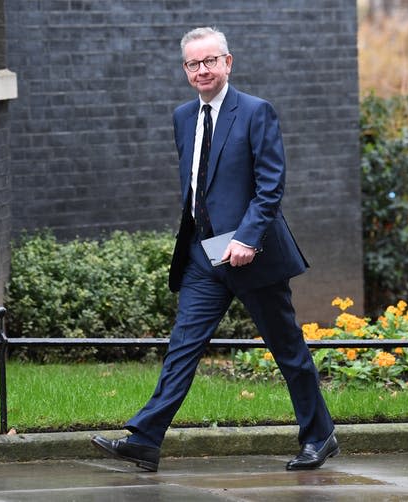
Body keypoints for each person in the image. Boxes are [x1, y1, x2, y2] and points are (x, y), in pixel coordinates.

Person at [92, 26, 338, 472]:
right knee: (183, 347)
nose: (201, 70)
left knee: (287, 350)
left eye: (209, 61)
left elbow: (270, 187)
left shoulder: (256, 112)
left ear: (228, 62)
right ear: (185, 70)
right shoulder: (183, 116)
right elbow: (196, 186)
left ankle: (320, 437)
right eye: (193, 64)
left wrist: (247, 237)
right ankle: (146, 439)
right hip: (203, 256)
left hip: (251, 254)